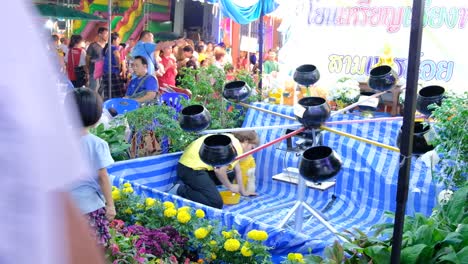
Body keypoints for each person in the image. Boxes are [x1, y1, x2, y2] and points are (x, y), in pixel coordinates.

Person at [65, 87, 116, 246]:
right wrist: (110, 205)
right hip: (90, 207)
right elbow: (102, 177)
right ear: (96, 115)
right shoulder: (97, 144)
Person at [172, 131, 259, 209]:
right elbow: (219, 171)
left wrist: (243, 192)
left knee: (230, 174)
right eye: (252, 148)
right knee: (215, 203)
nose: (251, 152)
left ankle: (199, 187)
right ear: (246, 141)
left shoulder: (230, 139)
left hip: (192, 166)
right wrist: (230, 186)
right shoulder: (236, 147)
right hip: (190, 169)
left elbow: (238, 170)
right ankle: (180, 189)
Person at [101, 32, 124, 100]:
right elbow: (117, 56)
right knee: (117, 94)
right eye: (118, 39)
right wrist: (119, 66)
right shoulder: (114, 47)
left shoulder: (106, 48)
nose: (119, 41)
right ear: (114, 40)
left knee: (108, 93)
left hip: (106, 72)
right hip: (113, 73)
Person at [86, 27, 108, 92]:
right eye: (106, 34)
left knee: (103, 91)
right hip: (94, 72)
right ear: (100, 34)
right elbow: (87, 58)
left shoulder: (108, 46)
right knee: (93, 89)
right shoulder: (93, 46)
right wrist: (88, 68)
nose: (107, 36)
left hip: (105, 72)